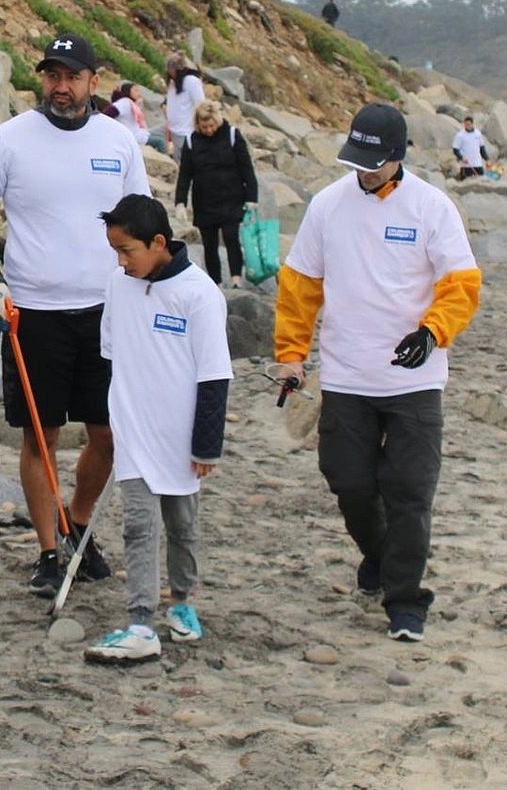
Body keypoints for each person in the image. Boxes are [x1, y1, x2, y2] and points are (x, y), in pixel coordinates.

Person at [273, 103, 482, 643]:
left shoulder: (432, 208)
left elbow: (461, 285)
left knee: (409, 490)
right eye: (357, 159)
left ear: (399, 155)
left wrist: (432, 332)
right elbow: (300, 285)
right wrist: (291, 353)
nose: (364, 170)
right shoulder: (327, 206)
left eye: (375, 161)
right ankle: (380, 554)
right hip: (347, 376)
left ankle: (406, 599)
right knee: (349, 483)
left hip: (415, 380)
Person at [0, 33, 149, 597]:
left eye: (72, 77)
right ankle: (47, 550)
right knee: (40, 438)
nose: (61, 88)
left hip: (105, 312)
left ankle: (79, 524)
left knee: (108, 436)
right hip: (32, 315)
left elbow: (141, 223)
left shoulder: (118, 140)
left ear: (94, 81)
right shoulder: (10, 140)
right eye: (52, 76)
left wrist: (153, 288)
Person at [82, 194, 232, 663]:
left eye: (128, 251)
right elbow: (110, 355)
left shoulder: (200, 294)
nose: (121, 262)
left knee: (182, 524)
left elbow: (214, 375)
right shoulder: (119, 284)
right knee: (138, 527)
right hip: (134, 430)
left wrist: (206, 446)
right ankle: (141, 621)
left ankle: (182, 602)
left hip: (180, 435)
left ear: (159, 242)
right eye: (115, 252)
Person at [174, 99, 259, 288]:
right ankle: (216, 282)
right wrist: (180, 202)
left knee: (231, 237)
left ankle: (236, 278)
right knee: (209, 244)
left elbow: (247, 168)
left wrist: (252, 197)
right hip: (204, 201)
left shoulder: (231, 135)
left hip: (232, 196)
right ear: (198, 124)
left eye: (211, 125)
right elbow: (185, 174)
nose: (209, 130)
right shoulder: (191, 141)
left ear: (217, 121)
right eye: (204, 126)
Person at [104, 82, 165, 153]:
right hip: (134, 136)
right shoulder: (125, 103)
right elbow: (108, 113)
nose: (138, 93)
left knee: (161, 136)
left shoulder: (130, 103)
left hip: (138, 133)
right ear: (127, 91)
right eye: (135, 90)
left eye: (138, 90)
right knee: (161, 141)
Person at [162, 53, 206, 151]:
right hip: (174, 131)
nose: (171, 75)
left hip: (187, 132)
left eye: (173, 72)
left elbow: (201, 105)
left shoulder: (192, 81)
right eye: (169, 73)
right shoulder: (173, 82)